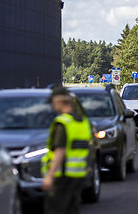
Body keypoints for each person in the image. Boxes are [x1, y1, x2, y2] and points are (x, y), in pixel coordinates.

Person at [41, 86, 92, 214]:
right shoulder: (82, 122)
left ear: (59, 102)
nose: (53, 106)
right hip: (78, 175)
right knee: (72, 209)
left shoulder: (63, 123)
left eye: (53, 102)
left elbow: (60, 151)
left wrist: (49, 176)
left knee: (55, 210)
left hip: (62, 177)